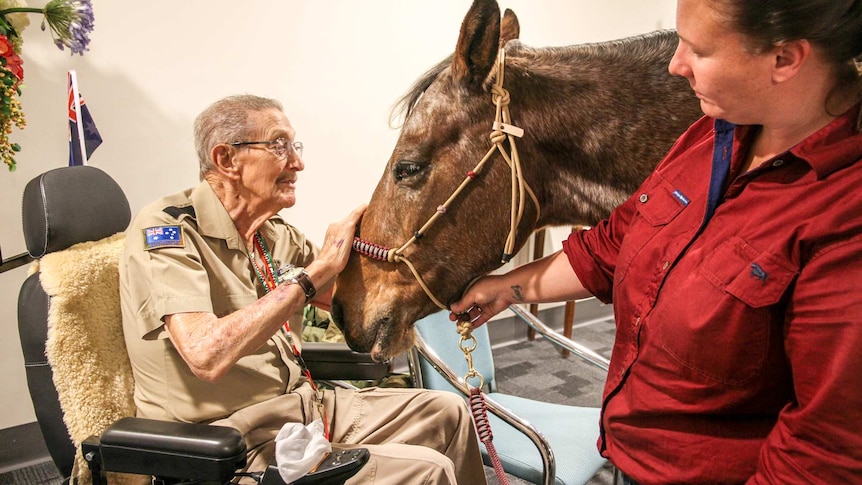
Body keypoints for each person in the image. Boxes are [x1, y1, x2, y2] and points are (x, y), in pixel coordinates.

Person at [451, 1, 862, 483]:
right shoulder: (715, 133)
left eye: (700, 49)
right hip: (629, 455)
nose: (675, 64)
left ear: (785, 60)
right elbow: (620, 241)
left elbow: (822, 453)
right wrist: (507, 287)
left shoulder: (843, 220)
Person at [119, 94, 487, 485]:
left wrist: (441, 267)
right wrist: (313, 273)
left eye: (295, 146)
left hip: (306, 408)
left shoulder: (273, 233)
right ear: (226, 160)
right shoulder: (166, 231)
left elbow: (352, 297)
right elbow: (206, 355)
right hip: (229, 439)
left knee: (448, 413)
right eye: (279, 145)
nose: (297, 162)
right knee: (428, 471)